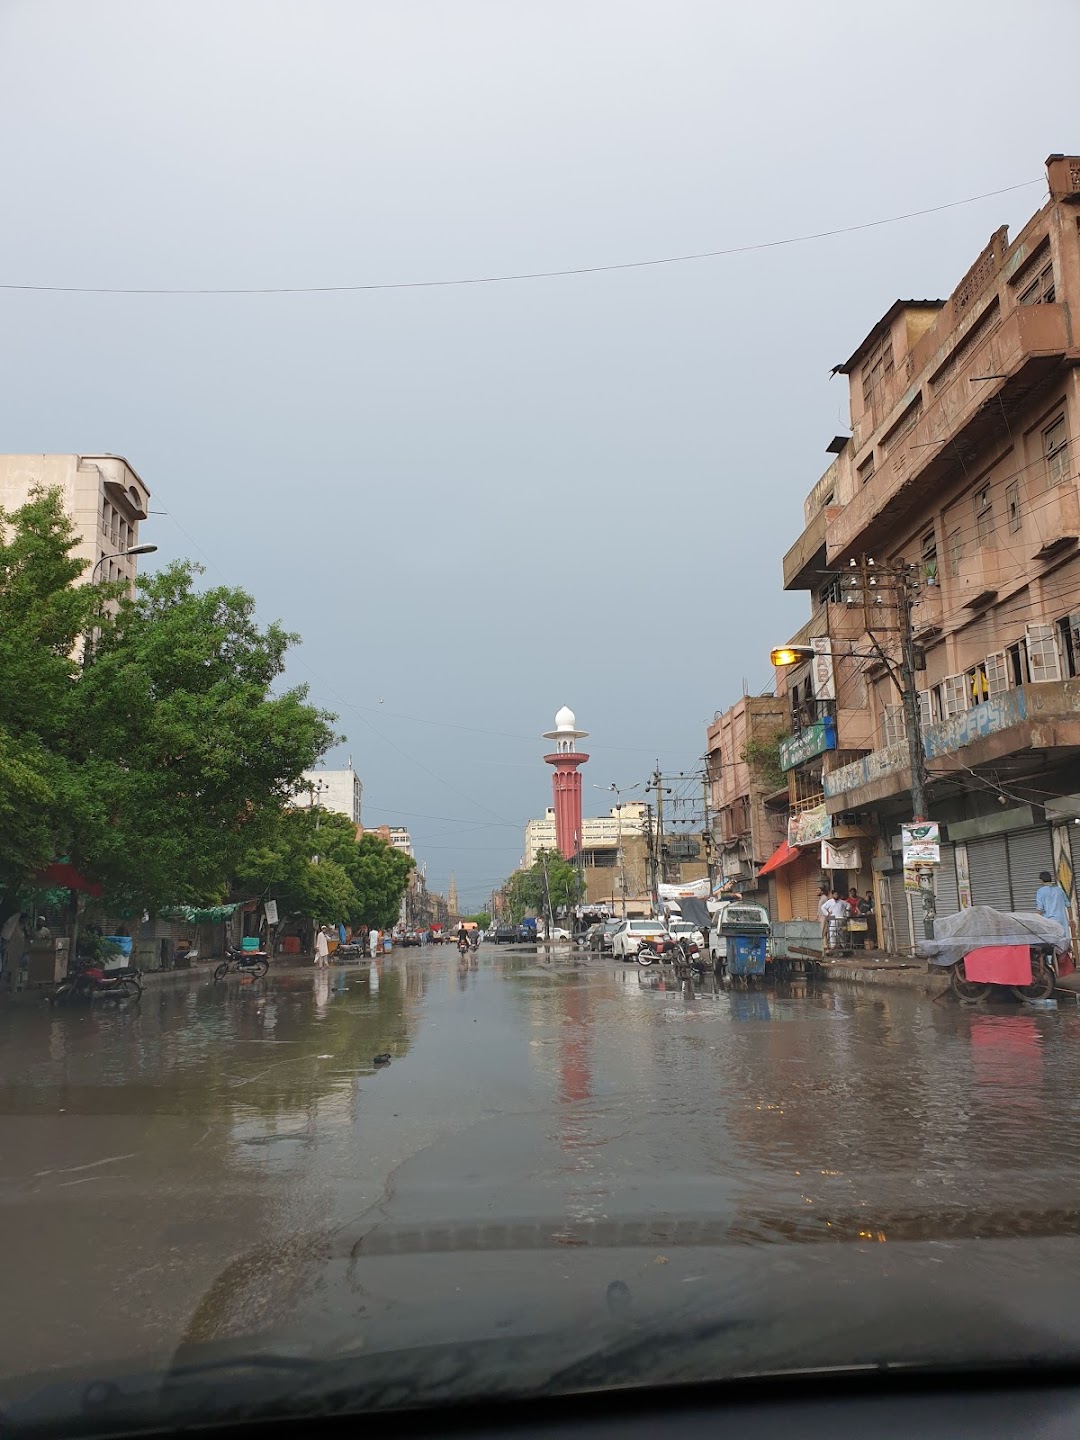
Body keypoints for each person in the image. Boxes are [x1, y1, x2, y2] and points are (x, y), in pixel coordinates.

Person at [1035, 870, 1071, 945]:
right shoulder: (1059, 890)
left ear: (1041, 880)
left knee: (1052, 945)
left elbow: (1040, 909)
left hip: (1050, 922)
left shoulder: (1040, 891)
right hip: (1062, 921)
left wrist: (1035, 918)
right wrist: (1070, 919)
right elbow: (1068, 905)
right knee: (1064, 943)